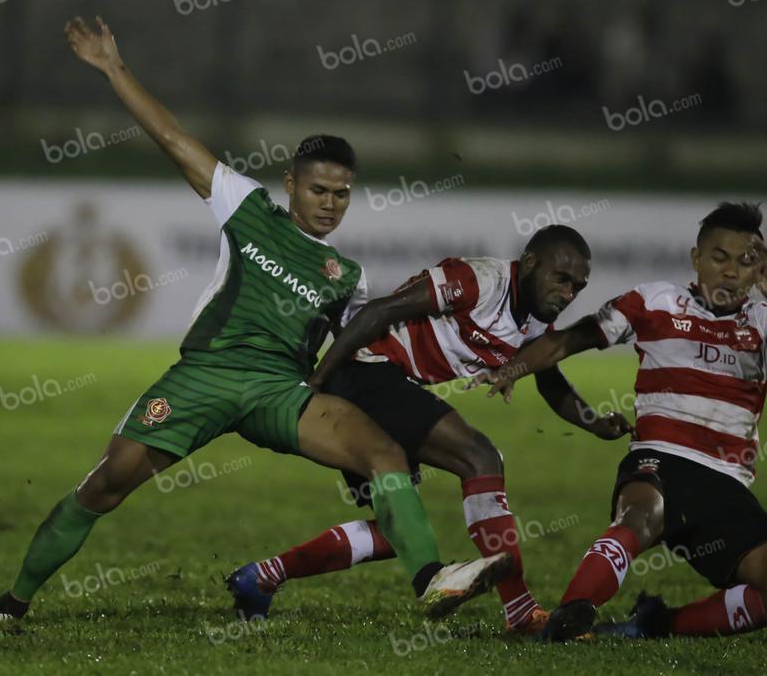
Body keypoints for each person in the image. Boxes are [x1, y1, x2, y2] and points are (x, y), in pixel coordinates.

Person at [0, 16, 508, 623]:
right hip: (206, 376)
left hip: (279, 392)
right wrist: (113, 67)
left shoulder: (347, 276)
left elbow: (365, 350)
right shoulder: (248, 209)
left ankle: (431, 579)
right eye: (318, 190)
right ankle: (11, 604)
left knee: (385, 455)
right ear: (291, 185)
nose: (330, 203)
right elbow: (172, 138)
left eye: (341, 193)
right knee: (105, 485)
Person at [228, 226, 632, 635]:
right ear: (529, 263)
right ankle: (521, 611)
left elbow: (549, 380)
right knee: (480, 457)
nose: (567, 294)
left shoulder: (534, 321)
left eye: (577, 287)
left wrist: (594, 423)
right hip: (364, 373)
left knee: (398, 532)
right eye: (560, 279)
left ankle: (261, 577)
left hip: (380, 385)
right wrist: (315, 385)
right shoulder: (477, 281)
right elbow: (378, 312)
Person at [475, 202, 767, 640]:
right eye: (719, 257)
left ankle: (653, 624)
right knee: (641, 516)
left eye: (745, 262)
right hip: (660, 458)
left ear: (759, 269)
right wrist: (512, 368)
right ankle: (569, 616)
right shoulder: (655, 300)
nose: (730, 271)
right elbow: (568, 341)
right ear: (696, 259)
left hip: (724, 482)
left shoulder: (766, 320)